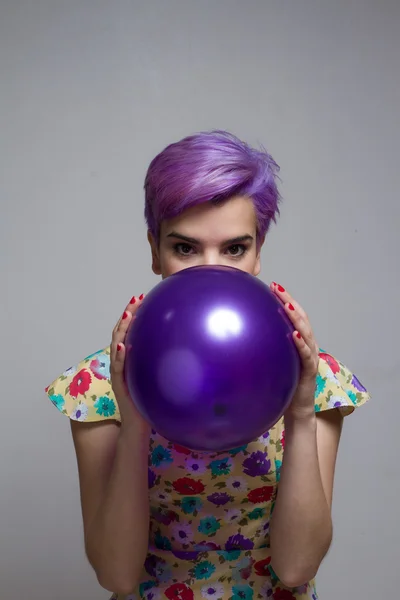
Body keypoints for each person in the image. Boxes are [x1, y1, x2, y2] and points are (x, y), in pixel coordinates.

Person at [46, 130, 370, 600]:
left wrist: (299, 414)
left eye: (234, 249)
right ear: (155, 250)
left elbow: (297, 566)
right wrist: (134, 420)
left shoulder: (313, 378)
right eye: (185, 248)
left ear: (259, 252)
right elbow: (116, 576)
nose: (210, 271)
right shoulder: (96, 385)